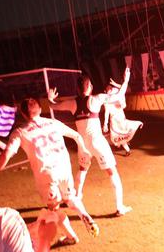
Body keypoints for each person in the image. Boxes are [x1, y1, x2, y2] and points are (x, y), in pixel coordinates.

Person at [0, 98, 99, 240]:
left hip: (47, 175)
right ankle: (85, 216)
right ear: (40, 109)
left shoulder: (20, 132)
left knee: (54, 208)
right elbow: (76, 135)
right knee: (70, 197)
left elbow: (7, 154)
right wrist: (82, 149)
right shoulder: (53, 123)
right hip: (63, 168)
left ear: (23, 113)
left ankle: (71, 237)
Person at [48, 70, 132, 216]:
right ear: (89, 87)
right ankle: (120, 207)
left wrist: (50, 99)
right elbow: (118, 96)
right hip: (97, 142)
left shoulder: (72, 103)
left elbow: (53, 106)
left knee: (82, 169)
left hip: (83, 144)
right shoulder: (96, 99)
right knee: (112, 172)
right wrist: (125, 80)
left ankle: (76, 196)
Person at [103, 78, 143, 156]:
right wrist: (105, 123)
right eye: (108, 90)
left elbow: (123, 87)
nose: (110, 91)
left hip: (120, 119)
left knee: (122, 134)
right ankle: (126, 149)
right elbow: (106, 113)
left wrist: (114, 84)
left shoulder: (115, 93)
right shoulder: (106, 99)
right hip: (114, 121)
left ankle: (123, 143)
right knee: (118, 136)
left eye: (110, 89)